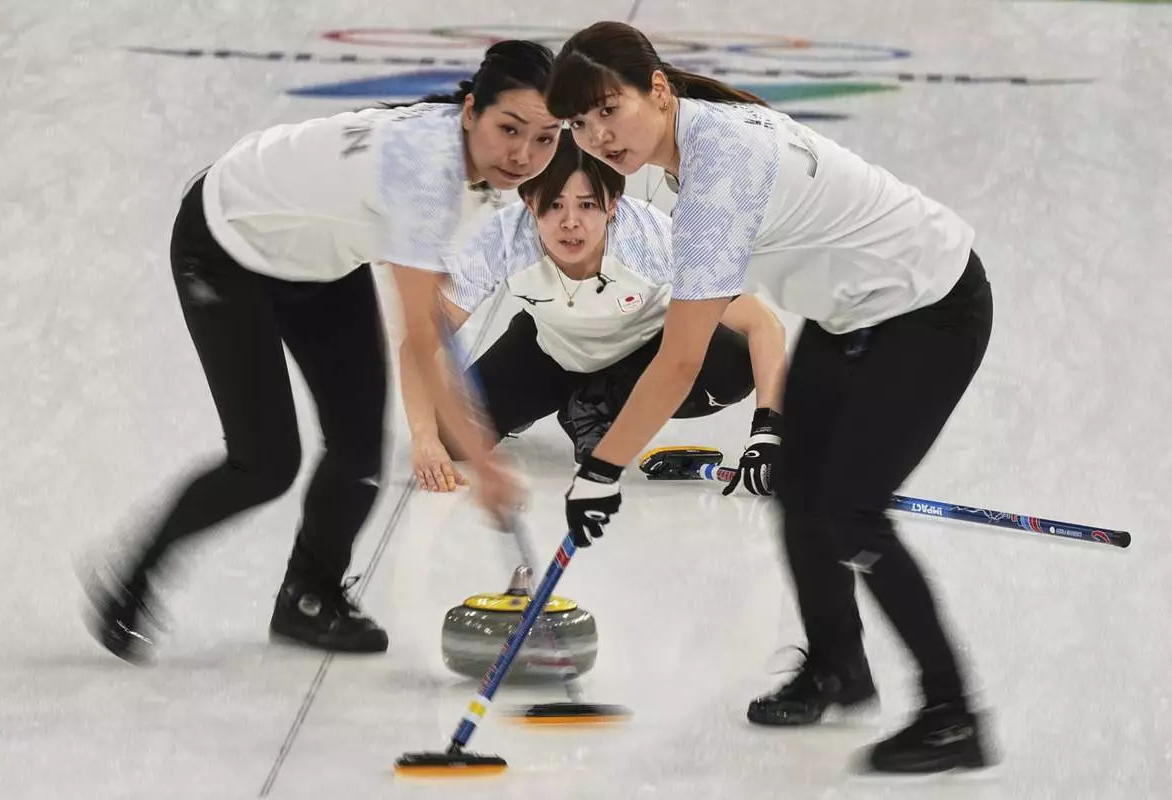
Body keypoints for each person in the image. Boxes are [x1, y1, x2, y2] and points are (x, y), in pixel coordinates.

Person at [547, 22, 996, 775]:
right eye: (580, 124)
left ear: (658, 88)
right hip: (847, 310)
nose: (597, 136)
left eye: (608, 109)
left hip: (929, 308)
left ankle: (954, 715)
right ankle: (836, 667)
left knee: (852, 508)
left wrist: (601, 470)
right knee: (797, 488)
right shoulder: (675, 152)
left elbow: (683, 358)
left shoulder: (720, 165)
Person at [79, 40, 562, 665]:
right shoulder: (424, 168)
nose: (524, 154)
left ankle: (309, 595)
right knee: (264, 463)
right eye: (509, 129)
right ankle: (133, 573)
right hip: (227, 242)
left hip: (319, 258)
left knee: (358, 447)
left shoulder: (477, 158)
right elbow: (421, 334)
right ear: (470, 111)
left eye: (545, 138)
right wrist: (482, 459)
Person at [398, 130, 787, 490]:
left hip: (644, 355)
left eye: (587, 205)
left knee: (733, 359)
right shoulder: (503, 239)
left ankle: (594, 404)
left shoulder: (654, 240)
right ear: (530, 203)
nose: (571, 223)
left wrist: (767, 434)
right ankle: (549, 401)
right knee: (452, 438)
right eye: (554, 204)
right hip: (551, 349)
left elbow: (761, 324)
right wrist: (423, 438)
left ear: (613, 205)